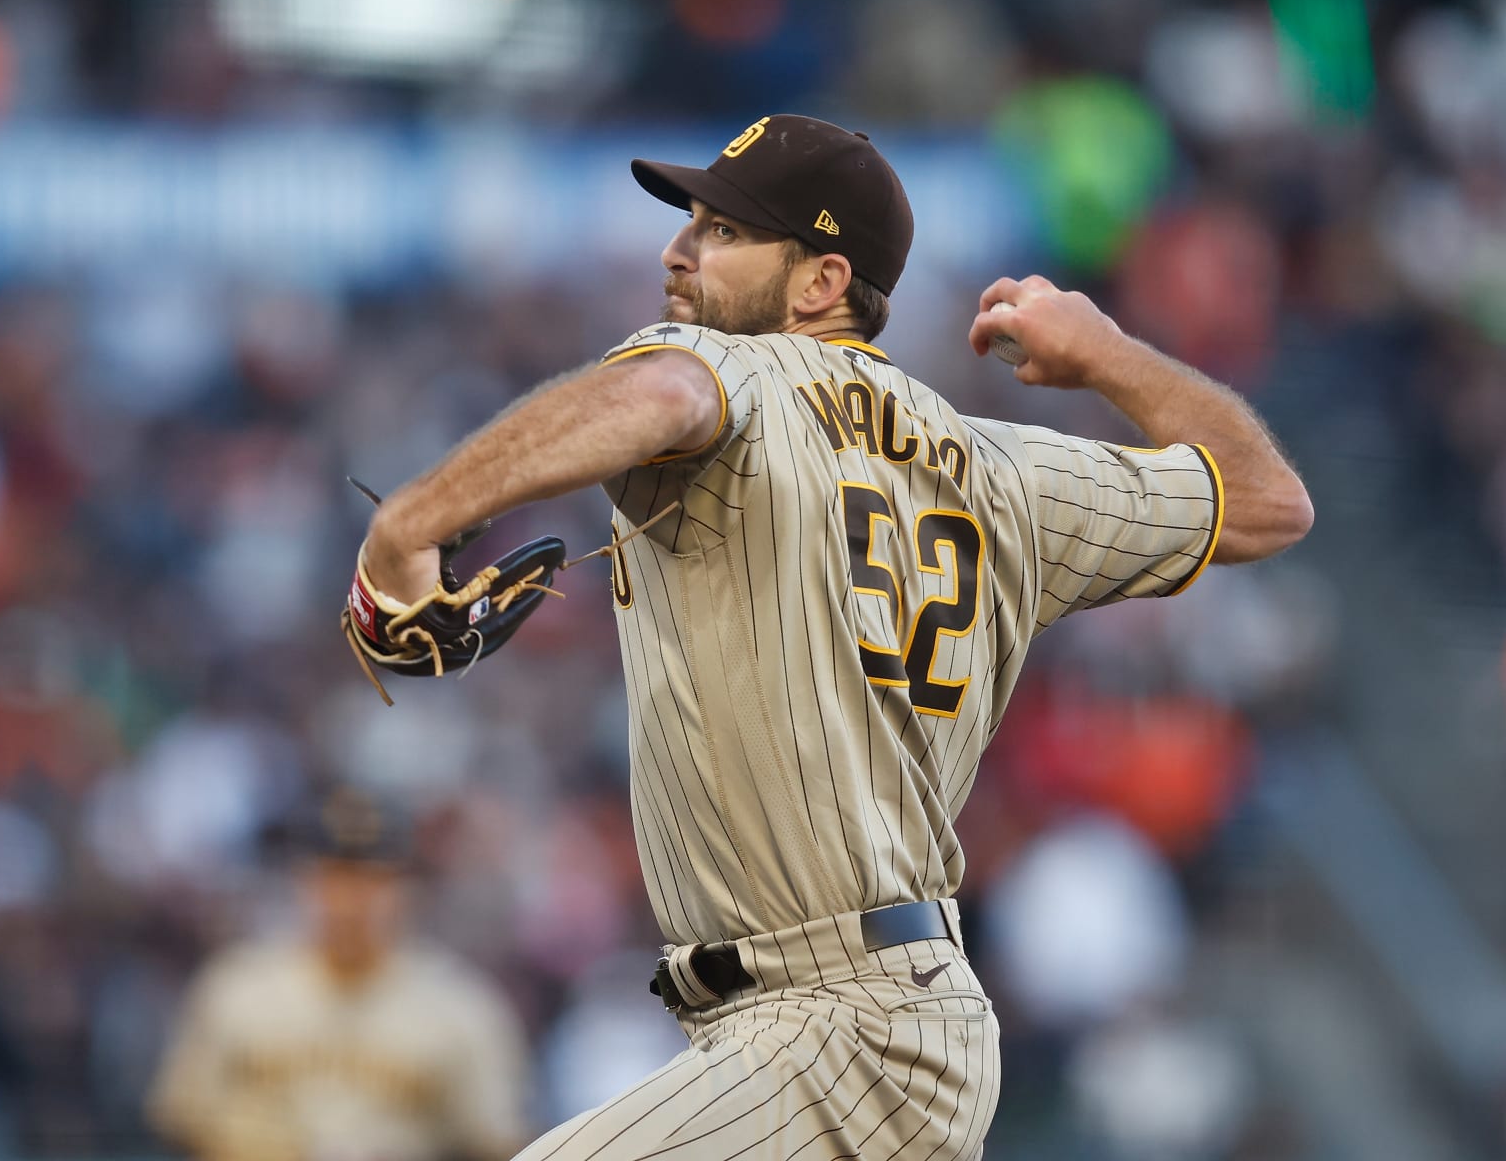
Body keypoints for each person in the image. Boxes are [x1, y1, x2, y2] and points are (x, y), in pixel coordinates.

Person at [359, 114, 1312, 1160]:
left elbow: (664, 389)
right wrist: (1110, 357)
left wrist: (413, 521)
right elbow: (1265, 501)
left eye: (723, 232)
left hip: (836, 1025)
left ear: (820, 284)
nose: (678, 251)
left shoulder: (739, 374)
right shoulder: (1008, 475)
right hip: (871, 1025)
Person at [148, 788, 534, 1161]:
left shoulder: (462, 1006)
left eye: (371, 880)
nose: (349, 901)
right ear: (303, 882)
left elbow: (497, 1144)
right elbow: (181, 1123)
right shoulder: (235, 987)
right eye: (334, 877)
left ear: (407, 888)